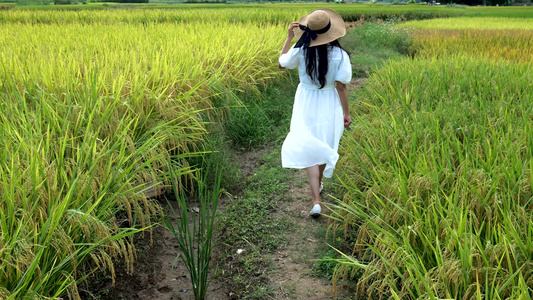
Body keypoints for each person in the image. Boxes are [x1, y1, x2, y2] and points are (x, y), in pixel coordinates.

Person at [278, 8, 352, 218]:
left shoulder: (301, 50)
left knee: (310, 144)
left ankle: (316, 200)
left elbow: (281, 65)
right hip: (329, 101)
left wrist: (289, 38)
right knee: (323, 143)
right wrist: (346, 113)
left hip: (306, 101)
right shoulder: (340, 55)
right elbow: (342, 86)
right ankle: (318, 187)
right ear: (331, 31)